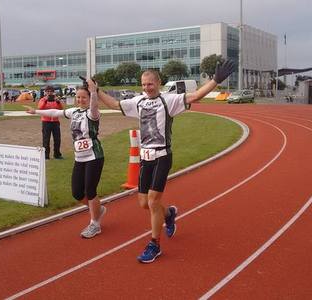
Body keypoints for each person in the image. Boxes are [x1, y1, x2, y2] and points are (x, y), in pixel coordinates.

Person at [96, 60, 234, 263]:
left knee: (153, 201)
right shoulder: (138, 102)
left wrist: (215, 80)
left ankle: (154, 244)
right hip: (145, 158)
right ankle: (169, 214)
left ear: (158, 83)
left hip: (162, 156)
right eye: (143, 84)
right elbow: (115, 104)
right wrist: (97, 90)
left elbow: (195, 96)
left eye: (150, 84)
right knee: (144, 203)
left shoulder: (169, 100)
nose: (146, 87)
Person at [24, 80, 106, 239]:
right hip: (79, 157)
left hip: (94, 156)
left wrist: (94, 91)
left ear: (89, 99)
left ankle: (95, 224)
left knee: (90, 190)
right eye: (78, 97)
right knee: (77, 192)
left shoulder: (92, 113)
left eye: (84, 97)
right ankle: (98, 210)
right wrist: (36, 112)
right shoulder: (74, 112)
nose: (80, 100)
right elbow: (55, 113)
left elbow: (94, 105)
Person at [37, 86, 64, 160]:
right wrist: (46, 100)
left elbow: (61, 109)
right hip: (46, 122)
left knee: (57, 139)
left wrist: (58, 101)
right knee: (46, 139)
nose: (49, 93)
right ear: (45, 92)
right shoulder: (42, 99)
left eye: (51, 91)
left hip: (55, 122)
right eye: (47, 91)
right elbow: (40, 108)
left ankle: (57, 154)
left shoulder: (56, 99)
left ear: (53, 92)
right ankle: (46, 156)